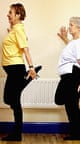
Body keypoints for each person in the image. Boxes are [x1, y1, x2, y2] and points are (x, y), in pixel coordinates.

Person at [1, 3, 42, 141]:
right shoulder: (15, 30)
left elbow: (26, 49)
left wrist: (31, 66)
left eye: (10, 12)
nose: (8, 14)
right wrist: (11, 31)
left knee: (13, 100)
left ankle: (17, 134)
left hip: (15, 68)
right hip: (13, 69)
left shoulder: (18, 29)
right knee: (10, 99)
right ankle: (27, 79)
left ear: (18, 15)